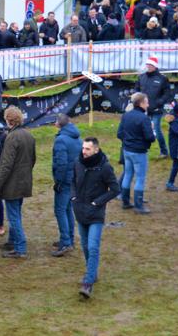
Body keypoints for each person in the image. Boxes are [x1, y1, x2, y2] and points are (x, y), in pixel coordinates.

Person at [72, 137, 121, 299]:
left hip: (96, 214)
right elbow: (72, 181)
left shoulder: (105, 168)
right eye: (83, 148)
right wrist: (73, 197)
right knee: (85, 246)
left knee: (93, 247)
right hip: (80, 211)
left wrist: (97, 202)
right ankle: (92, 273)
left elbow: (115, 189)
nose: (84, 151)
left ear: (96, 150)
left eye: (87, 149)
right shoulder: (77, 163)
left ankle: (87, 283)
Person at [0, 106, 36, 258]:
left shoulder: (11, 137)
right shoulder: (28, 135)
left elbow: (6, 164)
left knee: (13, 216)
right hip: (24, 181)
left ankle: (20, 248)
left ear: (8, 120)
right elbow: (33, 160)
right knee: (16, 212)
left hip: (12, 184)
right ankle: (12, 241)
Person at [117, 92, 156, 214]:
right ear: (141, 103)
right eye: (147, 102)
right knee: (140, 178)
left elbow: (119, 133)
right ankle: (139, 206)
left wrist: (129, 140)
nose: (148, 104)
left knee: (128, 175)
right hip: (139, 152)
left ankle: (125, 202)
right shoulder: (144, 118)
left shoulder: (126, 115)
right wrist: (153, 130)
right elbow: (150, 137)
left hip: (126, 150)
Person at [51, 114, 83, 256]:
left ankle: (66, 242)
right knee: (68, 209)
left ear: (58, 124)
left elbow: (61, 164)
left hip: (65, 181)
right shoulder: (77, 138)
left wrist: (58, 182)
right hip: (75, 179)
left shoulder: (61, 141)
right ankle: (69, 239)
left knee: (60, 210)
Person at [137, 56, 170, 158]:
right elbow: (136, 90)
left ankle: (164, 151)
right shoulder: (141, 77)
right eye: (148, 64)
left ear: (155, 66)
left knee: (156, 130)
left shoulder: (162, 78)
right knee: (140, 129)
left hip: (156, 109)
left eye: (151, 65)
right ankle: (141, 149)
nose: (149, 66)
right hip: (142, 109)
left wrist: (159, 102)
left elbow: (167, 93)